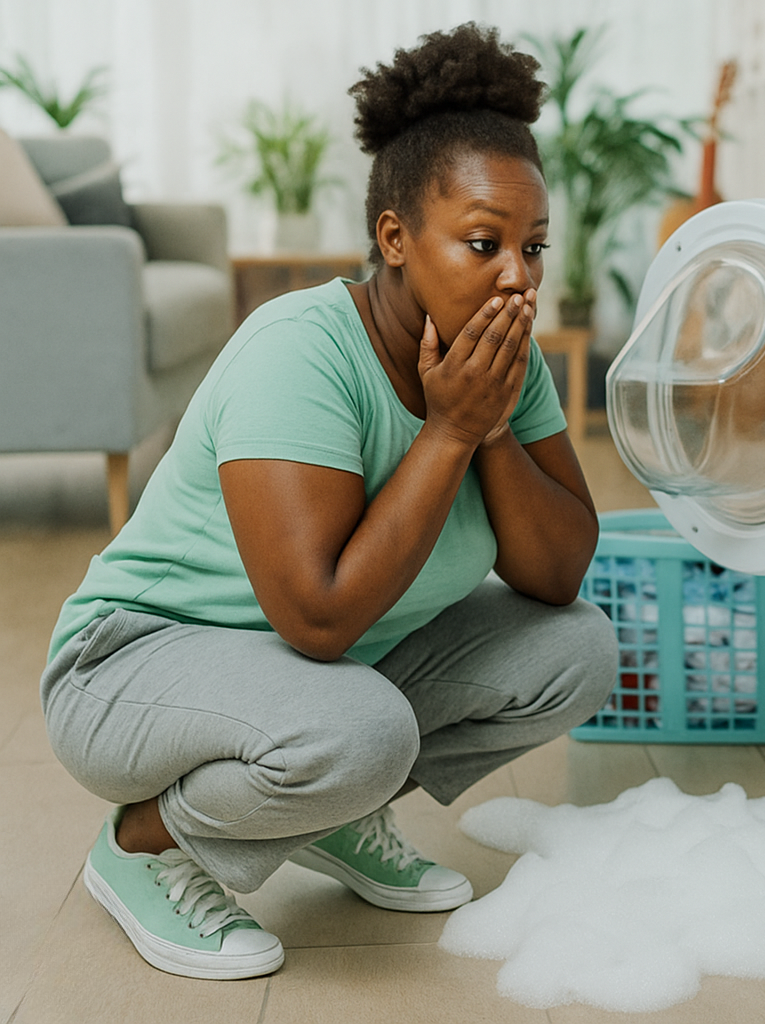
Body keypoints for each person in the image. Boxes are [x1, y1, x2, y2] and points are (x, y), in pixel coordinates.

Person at [38, 23, 618, 981]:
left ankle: (330, 808)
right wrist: (446, 432)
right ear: (394, 238)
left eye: (533, 246)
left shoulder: (498, 364)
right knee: (361, 731)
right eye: (484, 243)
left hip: (314, 676)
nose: (519, 276)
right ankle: (144, 846)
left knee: (577, 648)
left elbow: (557, 574)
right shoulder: (299, 351)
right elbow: (317, 617)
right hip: (127, 666)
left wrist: (490, 429)